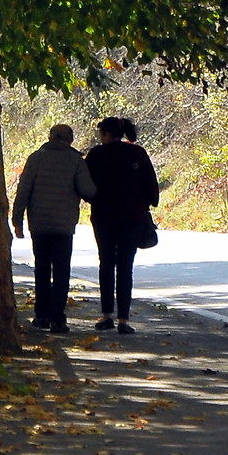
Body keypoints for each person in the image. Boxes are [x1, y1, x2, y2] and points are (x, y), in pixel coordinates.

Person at [10, 122, 97, 332]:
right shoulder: (75, 160)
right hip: (64, 225)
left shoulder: (36, 158)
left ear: (50, 137)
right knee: (61, 272)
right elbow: (89, 191)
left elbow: (24, 190)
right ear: (70, 139)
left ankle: (41, 316)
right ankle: (57, 318)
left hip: (39, 224)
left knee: (41, 269)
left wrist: (17, 219)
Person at [83, 116, 160, 335]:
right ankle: (123, 320)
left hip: (104, 216)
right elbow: (151, 185)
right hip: (132, 217)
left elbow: (86, 185)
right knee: (126, 266)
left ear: (105, 134)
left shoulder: (97, 154)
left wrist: (95, 200)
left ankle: (106, 315)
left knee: (106, 263)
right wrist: (146, 203)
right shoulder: (137, 153)